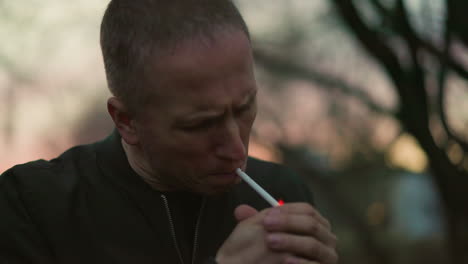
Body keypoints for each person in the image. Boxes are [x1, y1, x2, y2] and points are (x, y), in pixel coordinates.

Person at [0, 0, 338, 263]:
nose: (236, 149)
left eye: (244, 107)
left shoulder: (280, 192)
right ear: (126, 121)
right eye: (200, 124)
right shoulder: (31, 208)